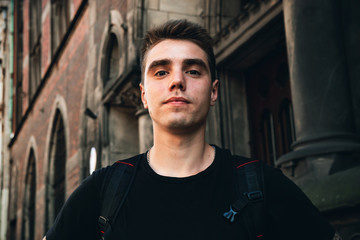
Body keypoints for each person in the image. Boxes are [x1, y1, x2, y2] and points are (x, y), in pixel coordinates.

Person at [44, 19, 339, 240]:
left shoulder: (263, 186)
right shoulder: (101, 192)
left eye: (193, 70)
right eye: (161, 71)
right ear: (144, 95)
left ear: (213, 92)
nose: (177, 81)